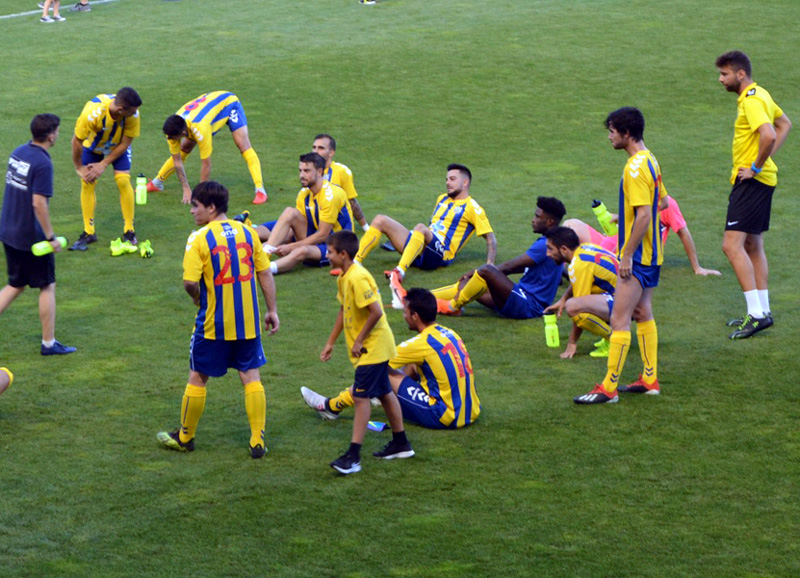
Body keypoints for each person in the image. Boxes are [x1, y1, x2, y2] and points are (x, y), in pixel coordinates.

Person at [156, 181, 279, 459]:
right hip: (248, 320)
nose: (192, 212)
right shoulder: (248, 233)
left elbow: (189, 282)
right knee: (251, 376)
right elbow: (264, 274)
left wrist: (198, 298)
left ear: (211, 208)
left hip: (213, 323)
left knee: (198, 376)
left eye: (195, 206)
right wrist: (272, 310)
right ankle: (257, 440)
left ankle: (185, 437)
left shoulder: (199, 238)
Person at [574, 107, 663, 405]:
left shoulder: (634, 168)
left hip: (637, 258)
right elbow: (661, 202)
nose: (609, 136)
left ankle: (608, 387)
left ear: (626, 133)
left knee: (619, 317)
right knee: (643, 313)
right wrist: (621, 216)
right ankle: (650, 379)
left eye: (612, 131)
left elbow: (644, 216)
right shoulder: (650, 159)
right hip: (653, 255)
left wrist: (625, 255)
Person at [302, 287, 480, 429]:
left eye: (405, 312)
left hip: (444, 415)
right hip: (470, 411)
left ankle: (331, 406)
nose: (404, 316)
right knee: (411, 363)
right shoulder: (450, 333)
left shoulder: (421, 343)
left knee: (379, 373)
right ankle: (381, 396)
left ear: (415, 316)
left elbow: (375, 368)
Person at [320, 231, 412, 475]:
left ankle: (353, 456)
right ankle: (401, 443)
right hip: (374, 347)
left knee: (360, 399)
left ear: (343, 254)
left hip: (373, 347)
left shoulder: (358, 277)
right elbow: (344, 309)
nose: (327, 256)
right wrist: (331, 342)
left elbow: (376, 312)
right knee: (383, 392)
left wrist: (359, 339)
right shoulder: (344, 277)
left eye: (330, 252)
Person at [715, 51, 792, 339]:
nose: (721, 80)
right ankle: (763, 310)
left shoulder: (751, 100)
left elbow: (770, 133)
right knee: (752, 245)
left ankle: (757, 315)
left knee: (731, 245)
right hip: (762, 181)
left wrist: (757, 166)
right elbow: (785, 123)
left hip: (752, 182)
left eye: (724, 74)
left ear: (740, 74)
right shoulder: (762, 93)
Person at [355, 164, 496, 307]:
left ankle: (399, 272)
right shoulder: (442, 199)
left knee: (421, 228)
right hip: (422, 246)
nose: (447, 183)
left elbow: (491, 238)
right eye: (447, 179)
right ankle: (355, 263)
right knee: (381, 219)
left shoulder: (472, 207)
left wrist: (490, 266)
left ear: (465, 182)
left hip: (441, 253)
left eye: (452, 179)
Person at [0, 114, 76, 355]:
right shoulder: (43, 163)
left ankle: (49, 342)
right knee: (47, 285)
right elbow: (38, 204)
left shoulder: (19, 151)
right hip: (29, 237)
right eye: (58, 131)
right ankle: (49, 343)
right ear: (51, 135)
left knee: (16, 284)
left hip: (8, 229)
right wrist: (50, 236)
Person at [430, 196, 566, 319]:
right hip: (519, 297)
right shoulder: (550, 242)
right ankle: (423, 297)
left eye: (537, 217)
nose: (533, 220)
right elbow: (520, 267)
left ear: (549, 222)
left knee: (486, 271)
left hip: (528, 305)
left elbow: (509, 267)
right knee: (466, 284)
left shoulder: (545, 245)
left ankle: (452, 307)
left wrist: (482, 272)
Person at [147, 92, 267, 205]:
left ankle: (260, 189)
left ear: (183, 133)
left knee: (243, 146)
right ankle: (157, 183)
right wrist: (186, 188)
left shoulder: (200, 129)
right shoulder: (174, 126)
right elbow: (177, 161)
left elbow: (206, 164)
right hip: (202, 116)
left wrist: (200, 196)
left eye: (172, 137)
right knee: (184, 149)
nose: (169, 138)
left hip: (229, 104)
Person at [564, 194, 721, 276]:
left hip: (629, 254)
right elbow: (631, 217)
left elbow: (684, 233)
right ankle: (565, 270)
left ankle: (575, 269)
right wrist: (617, 217)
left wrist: (697, 267)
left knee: (594, 263)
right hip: (612, 243)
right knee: (570, 225)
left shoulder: (667, 205)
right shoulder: (637, 198)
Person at [69, 87, 143, 251]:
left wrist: (103, 164)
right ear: (121, 109)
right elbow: (76, 142)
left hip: (118, 147)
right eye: (132, 112)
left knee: (123, 180)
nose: (135, 114)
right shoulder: (92, 113)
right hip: (93, 147)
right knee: (87, 181)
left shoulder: (133, 113)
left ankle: (129, 230)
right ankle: (89, 232)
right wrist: (78, 167)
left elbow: (125, 143)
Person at [256, 152, 354, 275]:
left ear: (319, 172)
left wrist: (292, 247)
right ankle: (264, 253)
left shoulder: (331, 195)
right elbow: (295, 226)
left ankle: (265, 269)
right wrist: (280, 241)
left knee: (301, 250)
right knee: (289, 212)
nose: (302, 175)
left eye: (307, 171)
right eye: (300, 170)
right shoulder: (304, 193)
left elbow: (323, 235)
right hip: (316, 235)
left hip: (337, 246)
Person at [543, 227, 618, 359]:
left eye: (550, 249)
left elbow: (579, 305)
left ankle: (615, 340)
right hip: (632, 296)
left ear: (564, 249)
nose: (547, 254)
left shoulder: (578, 265)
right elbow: (578, 280)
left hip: (628, 304)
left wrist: (572, 342)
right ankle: (612, 333)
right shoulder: (585, 248)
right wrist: (563, 299)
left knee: (573, 307)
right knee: (579, 299)